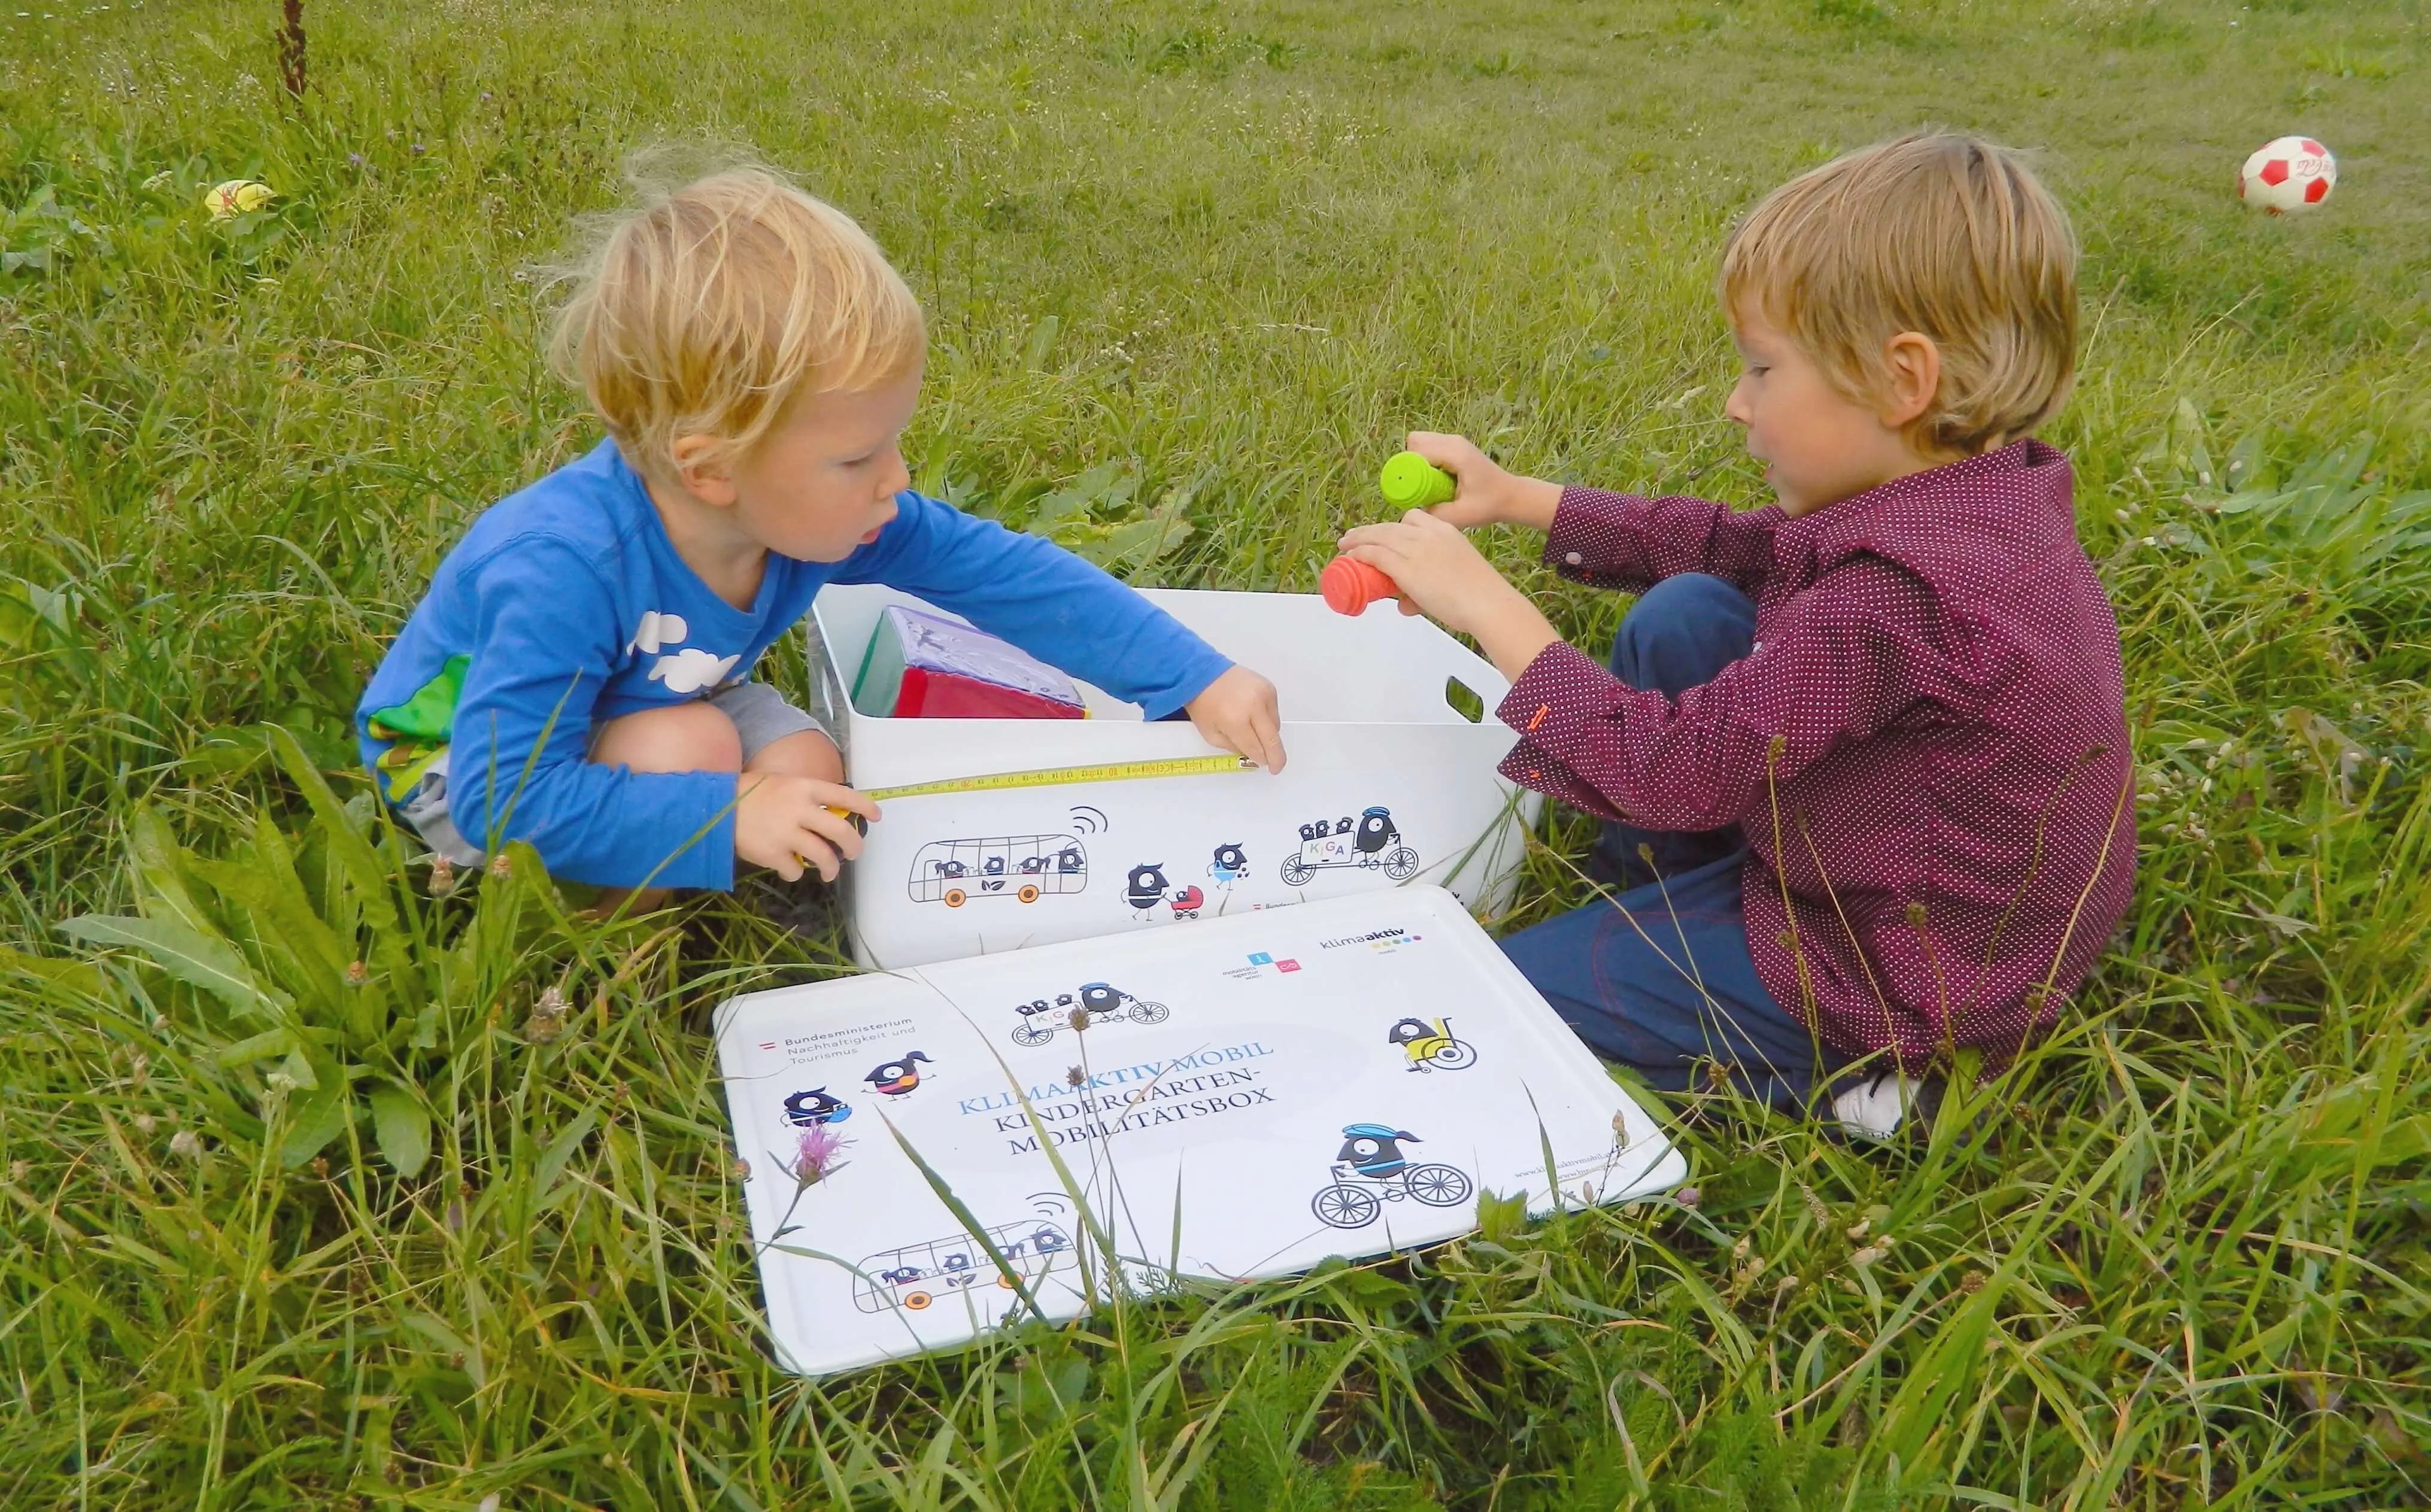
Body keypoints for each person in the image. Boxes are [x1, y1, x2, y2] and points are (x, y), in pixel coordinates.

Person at [1337, 131, 2135, 1137]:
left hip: (1886, 962)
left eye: (1763, 369)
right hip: (1896, 856)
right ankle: (1665, 902)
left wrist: (1489, 607)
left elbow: (1675, 766)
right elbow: (1728, 545)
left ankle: (1887, 1078)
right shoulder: (1969, 497)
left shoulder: (1897, 592)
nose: (1736, 400)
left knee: (1506, 1000)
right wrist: (1519, 498)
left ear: (1903, 381)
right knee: (1690, 609)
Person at [357, 166, 1283, 900]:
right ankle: (602, 955)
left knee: (811, 769)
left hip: (646, 696)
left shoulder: (809, 515)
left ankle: (687, 832)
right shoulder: (563, 565)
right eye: (858, 457)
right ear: (710, 469)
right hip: (461, 770)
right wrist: (717, 819)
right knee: (695, 756)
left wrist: (1192, 675)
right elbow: (503, 794)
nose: (898, 478)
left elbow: (1003, 575)